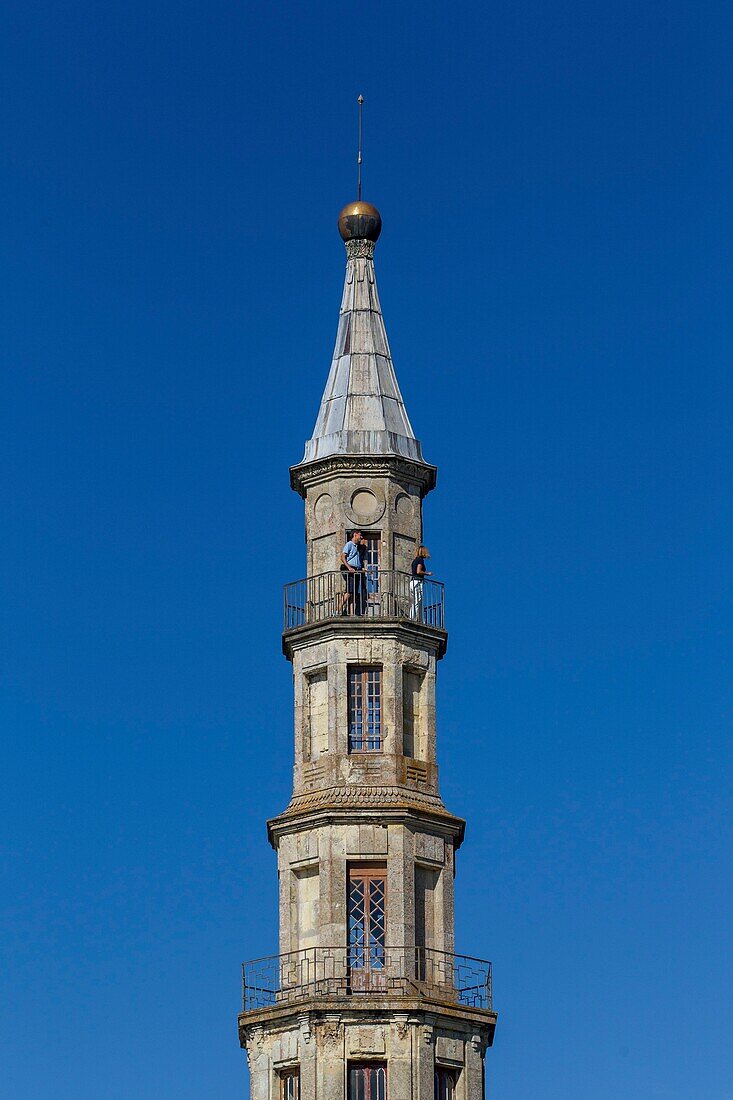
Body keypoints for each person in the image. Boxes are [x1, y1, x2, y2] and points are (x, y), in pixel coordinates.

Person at [340, 531, 366, 615]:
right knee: (348, 593)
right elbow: (342, 557)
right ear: (355, 535)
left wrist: (361, 568)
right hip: (350, 570)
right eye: (360, 535)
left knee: (353, 594)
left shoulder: (358, 547)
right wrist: (349, 568)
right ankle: (337, 610)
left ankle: (352, 613)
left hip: (356, 571)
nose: (361, 537)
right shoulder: (349, 544)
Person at [410, 545, 432, 621]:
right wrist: (427, 573)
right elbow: (418, 571)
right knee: (417, 602)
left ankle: (419, 619)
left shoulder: (415, 560)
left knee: (416, 601)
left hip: (413, 582)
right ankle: (412, 619)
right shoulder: (420, 560)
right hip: (417, 582)